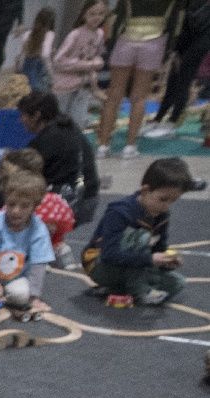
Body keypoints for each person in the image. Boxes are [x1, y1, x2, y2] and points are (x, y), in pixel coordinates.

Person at [84, 156, 190, 303]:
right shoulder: (120, 212)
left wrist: (167, 262)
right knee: (141, 239)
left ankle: (119, 288)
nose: (166, 206)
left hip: (133, 265)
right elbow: (109, 254)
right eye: (163, 199)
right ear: (145, 190)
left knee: (177, 283)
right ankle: (139, 291)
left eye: (172, 201)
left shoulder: (162, 215)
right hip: (100, 263)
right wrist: (150, 259)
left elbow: (158, 249)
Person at [96, 0, 185, 159]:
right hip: (155, 39)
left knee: (114, 96)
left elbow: (118, 17)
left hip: (126, 38)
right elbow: (175, 22)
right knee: (140, 98)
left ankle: (103, 145)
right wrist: (168, 50)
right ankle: (130, 146)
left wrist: (111, 46)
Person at [0, 169, 55, 312]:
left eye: (24, 206)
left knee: (22, 295)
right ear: (5, 201)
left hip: (17, 278)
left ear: (35, 206)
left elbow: (39, 265)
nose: (16, 211)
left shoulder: (38, 229)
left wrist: (34, 297)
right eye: (11, 204)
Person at [146, 0, 210, 135]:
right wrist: (175, 49)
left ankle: (173, 121)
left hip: (203, 36)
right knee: (174, 75)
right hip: (186, 33)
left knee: (185, 75)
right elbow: (180, 22)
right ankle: (159, 118)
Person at [52, 2, 110, 130]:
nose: (97, 17)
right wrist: (87, 64)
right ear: (84, 14)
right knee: (58, 121)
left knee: (78, 123)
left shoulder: (99, 34)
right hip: (64, 85)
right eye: (92, 14)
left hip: (84, 84)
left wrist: (96, 65)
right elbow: (58, 61)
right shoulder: (75, 34)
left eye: (101, 14)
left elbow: (98, 55)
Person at [15, 7, 58, 91]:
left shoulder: (28, 34)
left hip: (25, 70)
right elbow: (45, 56)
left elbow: (21, 56)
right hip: (38, 73)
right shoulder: (49, 34)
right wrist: (52, 78)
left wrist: (18, 70)